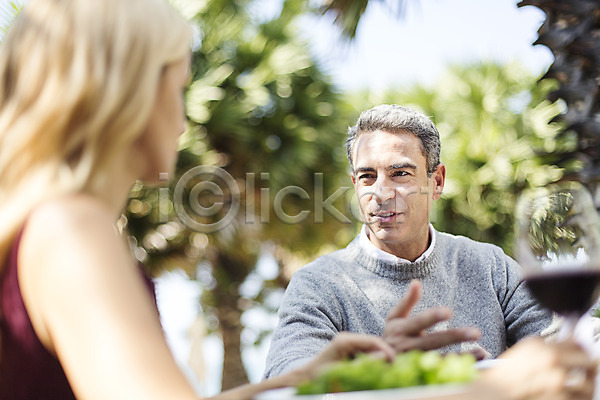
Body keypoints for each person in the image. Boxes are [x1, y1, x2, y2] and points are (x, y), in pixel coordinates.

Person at [0, 2, 594, 400]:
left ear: (437, 180)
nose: (182, 119)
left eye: (402, 172)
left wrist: (325, 377)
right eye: (177, 87)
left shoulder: (55, 226)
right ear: (127, 91)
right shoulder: (69, 230)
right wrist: (487, 389)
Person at [264, 104, 558, 379]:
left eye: (400, 174)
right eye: (367, 176)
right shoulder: (318, 284)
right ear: (355, 185)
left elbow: (569, 341)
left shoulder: (491, 267)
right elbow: (287, 380)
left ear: (437, 182)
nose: (380, 193)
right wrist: (380, 373)